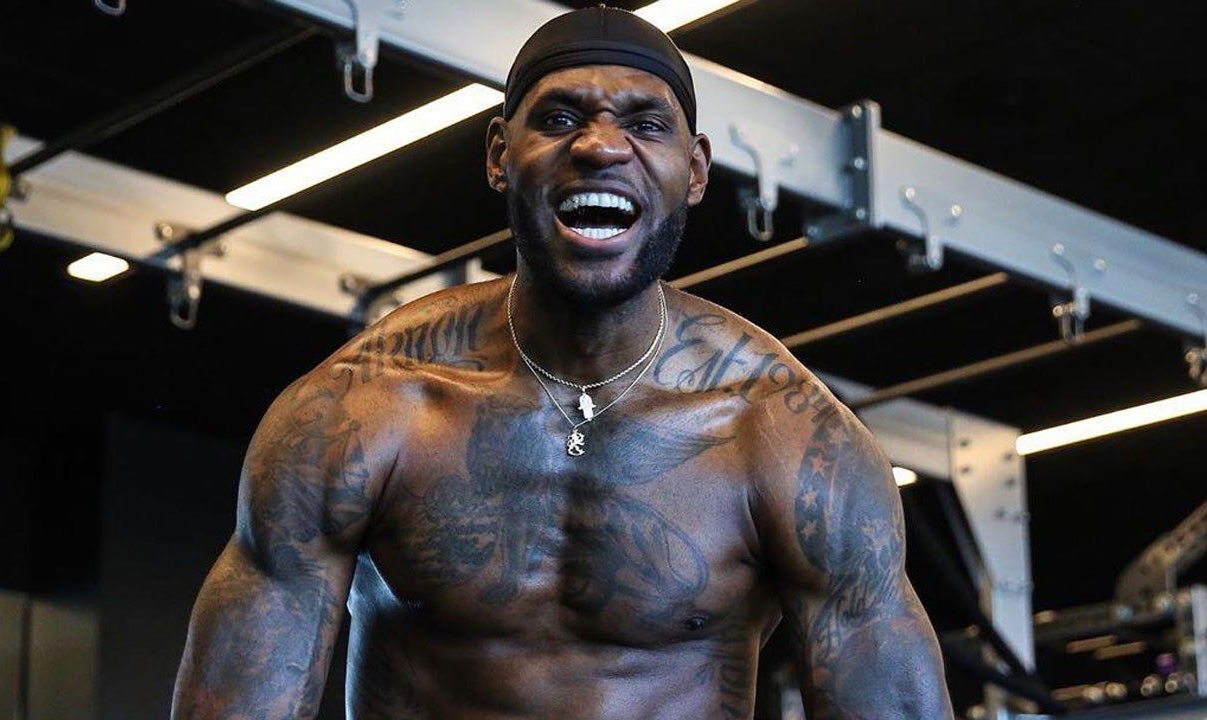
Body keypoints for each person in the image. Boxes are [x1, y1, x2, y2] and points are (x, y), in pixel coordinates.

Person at [171, 6, 954, 719]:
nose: (601, 146)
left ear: (695, 171)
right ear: (498, 155)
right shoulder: (364, 410)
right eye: (558, 118)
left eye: (646, 124)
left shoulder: (786, 437)